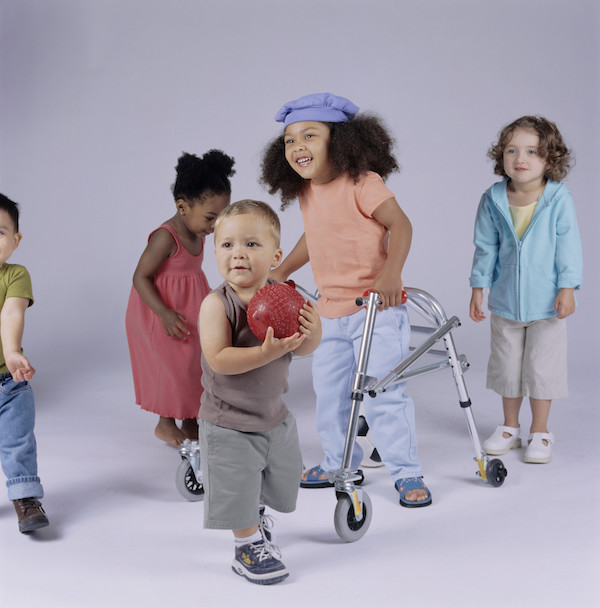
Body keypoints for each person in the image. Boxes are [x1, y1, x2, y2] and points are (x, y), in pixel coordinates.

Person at [260, 92, 431, 508]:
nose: (297, 146)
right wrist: (283, 271)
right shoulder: (306, 190)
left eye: (310, 136)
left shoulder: (362, 183)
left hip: (378, 308)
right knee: (331, 393)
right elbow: (315, 237)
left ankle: (407, 472)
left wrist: (391, 271)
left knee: (384, 392)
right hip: (330, 311)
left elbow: (401, 225)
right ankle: (340, 463)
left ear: (341, 141)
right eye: (289, 140)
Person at [198, 200, 321, 585]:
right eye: (228, 245)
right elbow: (218, 358)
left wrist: (313, 328)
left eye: (252, 245)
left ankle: (257, 512)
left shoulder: (284, 297)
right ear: (215, 252)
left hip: (272, 414)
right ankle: (246, 544)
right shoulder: (217, 304)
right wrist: (263, 353)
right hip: (228, 420)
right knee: (236, 485)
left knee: (277, 478)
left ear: (276, 255)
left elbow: (303, 347)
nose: (239, 254)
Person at [469, 116, 582, 464]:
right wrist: (478, 286)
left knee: (541, 369)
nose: (521, 158)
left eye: (533, 151)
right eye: (512, 150)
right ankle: (509, 427)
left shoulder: (558, 198)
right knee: (508, 367)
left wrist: (567, 287)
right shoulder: (493, 198)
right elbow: (485, 246)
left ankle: (541, 431)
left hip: (547, 304)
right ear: (501, 156)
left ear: (550, 159)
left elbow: (569, 246)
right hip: (505, 303)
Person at [126, 150, 234, 447]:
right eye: (210, 217)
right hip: (160, 311)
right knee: (171, 368)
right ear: (182, 206)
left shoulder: (197, 232)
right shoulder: (166, 236)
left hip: (191, 308)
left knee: (196, 364)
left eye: (219, 218)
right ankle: (165, 422)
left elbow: (190, 274)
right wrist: (163, 313)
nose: (213, 226)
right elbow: (140, 277)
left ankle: (190, 418)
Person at [0, 193, 49, 533]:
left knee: (19, 441)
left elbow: (12, 312)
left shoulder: (15, 275)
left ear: (15, 241)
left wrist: (12, 351)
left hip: (8, 381)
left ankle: (25, 497)